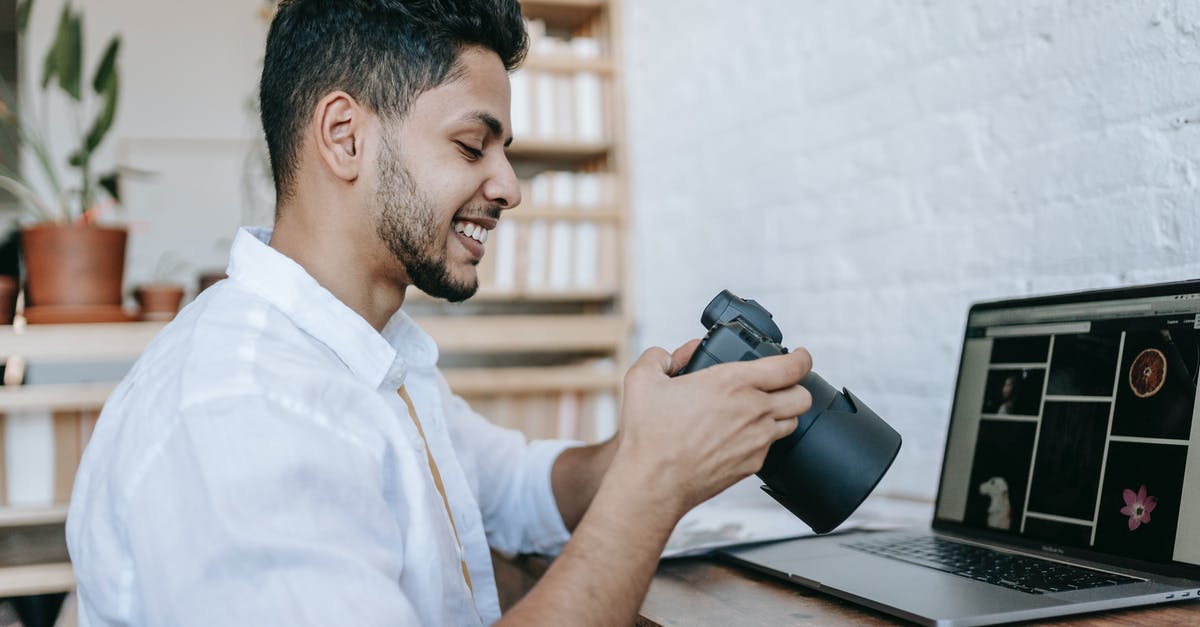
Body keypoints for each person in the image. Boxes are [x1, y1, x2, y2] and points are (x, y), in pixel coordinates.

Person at [65, 1, 813, 624]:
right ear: (344, 136)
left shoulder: (375, 352)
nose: (510, 186)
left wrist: (658, 432)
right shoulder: (242, 406)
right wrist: (654, 481)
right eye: (471, 145)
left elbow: (513, 486)